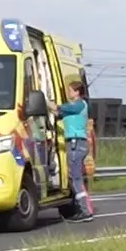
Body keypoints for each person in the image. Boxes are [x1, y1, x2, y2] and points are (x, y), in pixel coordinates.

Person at [56, 81, 95, 221]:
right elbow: (59, 113)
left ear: (77, 92)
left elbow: (58, 108)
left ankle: (85, 211)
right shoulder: (72, 110)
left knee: (76, 178)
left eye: (71, 90)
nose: (68, 93)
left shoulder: (79, 105)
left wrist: (44, 100)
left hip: (76, 143)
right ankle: (83, 209)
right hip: (76, 143)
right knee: (75, 177)